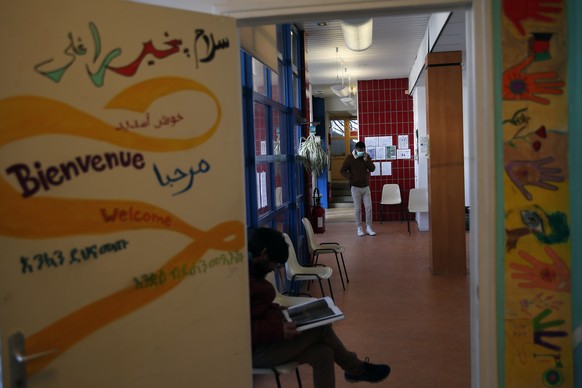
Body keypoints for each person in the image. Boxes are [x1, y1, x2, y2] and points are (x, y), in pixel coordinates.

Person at [248, 227, 390, 387]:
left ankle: (355, 369)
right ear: (264, 253)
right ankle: (356, 368)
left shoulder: (252, 274)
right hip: (252, 351)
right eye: (274, 263)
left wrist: (285, 314)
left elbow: (260, 311)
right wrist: (278, 329)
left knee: (324, 354)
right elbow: (240, 328)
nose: (273, 268)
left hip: (266, 342)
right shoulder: (240, 284)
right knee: (321, 328)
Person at [339, 141, 376, 236]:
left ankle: (369, 227)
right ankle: (359, 228)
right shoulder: (349, 158)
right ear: (355, 149)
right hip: (355, 187)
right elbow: (342, 171)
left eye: (363, 150)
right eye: (360, 150)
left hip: (366, 187)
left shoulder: (366, 156)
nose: (361, 152)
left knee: (368, 208)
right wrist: (350, 177)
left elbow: (372, 169)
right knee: (358, 209)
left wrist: (366, 160)